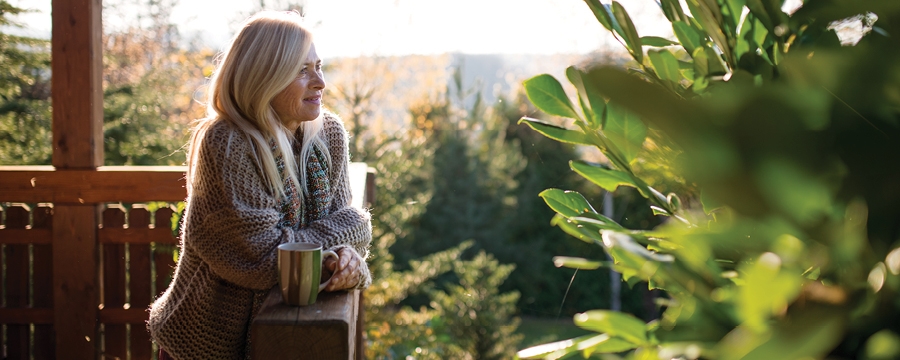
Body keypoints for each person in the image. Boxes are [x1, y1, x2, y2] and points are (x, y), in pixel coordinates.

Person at [147, 11, 372, 360]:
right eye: (301, 70)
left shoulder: (329, 134)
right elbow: (264, 260)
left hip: (288, 337)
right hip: (208, 346)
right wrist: (350, 230)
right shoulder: (227, 142)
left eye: (319, 66)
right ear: (264, 77)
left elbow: (341, 239)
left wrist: (346, 260)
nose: (320, 82)